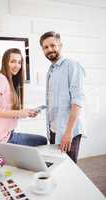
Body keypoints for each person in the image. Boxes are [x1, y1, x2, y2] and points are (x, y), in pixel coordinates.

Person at [0, 48, 47, 146]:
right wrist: (19, 113)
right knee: (42, 141)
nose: (17, 65)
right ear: (5, 62)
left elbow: (7, 109)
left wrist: (26, 112)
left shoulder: (10, 82)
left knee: (42, 141)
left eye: (19, 62)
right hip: (2, 138)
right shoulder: (1, 79)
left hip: (8, 134)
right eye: (13, 61)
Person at [40, 31, 85, 163]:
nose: (49, 50)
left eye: (53, 45)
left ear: (60, 45)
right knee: (56, 167)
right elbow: (55, 100)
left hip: (68, 130)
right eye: (45, 47)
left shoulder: (72, 65)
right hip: (54, 129)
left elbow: (77, 101)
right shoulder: (51, 70)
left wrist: (68, 132)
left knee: (69, 169)